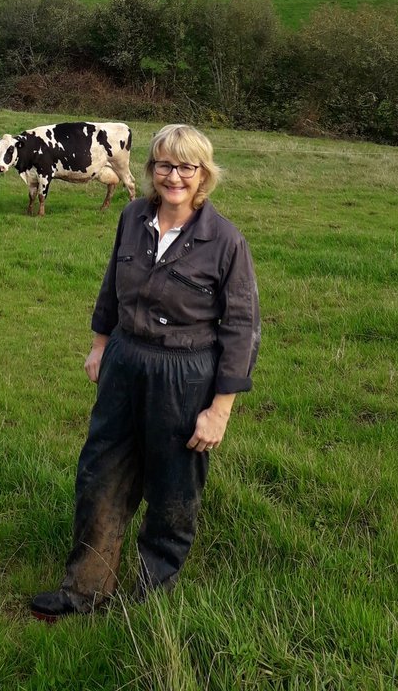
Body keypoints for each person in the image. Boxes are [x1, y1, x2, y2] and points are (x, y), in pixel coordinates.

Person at [30, 124, 260, 621]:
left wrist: (219, 410)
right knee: (100, 473)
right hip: (125, 361)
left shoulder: (225, 242)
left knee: (173, 485)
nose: (173, 176)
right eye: (163, 165)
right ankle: (85, 590)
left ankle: (152, 592)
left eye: (185, 167)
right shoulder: (133, 216)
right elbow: (113, 283)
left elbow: (241, 329)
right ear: (151, 170)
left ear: (204, 175)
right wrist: (99, 345)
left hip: (185, 375)